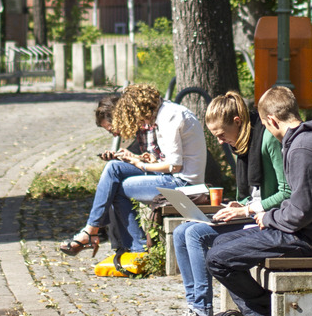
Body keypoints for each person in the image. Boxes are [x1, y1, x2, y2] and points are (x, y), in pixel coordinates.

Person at [206, 85, 312, 316]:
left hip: (310, 236)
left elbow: (300, 213)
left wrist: (268, 217)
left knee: (217, 258)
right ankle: (264, 311)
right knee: (220, 243)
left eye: (266, 126)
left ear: (271, 120)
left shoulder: (302, 148)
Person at [173, 90, 291, 316]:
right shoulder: (242, 144)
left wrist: (246, 209)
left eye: (220, 134)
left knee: (195, 234)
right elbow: (253, 195)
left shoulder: (267, 139)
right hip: (250, 213)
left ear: (237, 122)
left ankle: (202, 309)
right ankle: (193, 303)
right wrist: (236, 205)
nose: (219, 141)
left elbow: (286, 193)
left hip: (267, 220)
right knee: (180, 232)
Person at [58, 82, 206, 257]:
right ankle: (101, 235)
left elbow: (175, 165)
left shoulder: (169, 117)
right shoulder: (165, 114)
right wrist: (136, 158)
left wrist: (140, 164)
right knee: (114, 170)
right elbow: (166, 160)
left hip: (183, 183)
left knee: (116, 185)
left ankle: (127, 244)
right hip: (174, 177)